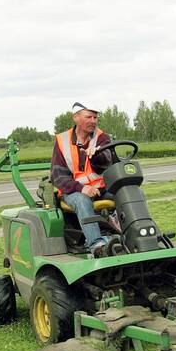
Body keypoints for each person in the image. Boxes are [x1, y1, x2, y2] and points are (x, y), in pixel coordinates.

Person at [51, 102, 115, 255]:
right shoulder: (62, 141)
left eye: (95, 117)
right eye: (89, 117)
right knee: (82, 200)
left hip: (101, 190)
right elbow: (57, 175)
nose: (93, 121)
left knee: (128, 192)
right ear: (76, 117)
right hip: (73, 192)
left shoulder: (102, 137)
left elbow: (106, 163)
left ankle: (139, 234)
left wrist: (96, 155)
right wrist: (82, 188)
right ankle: (97, 245)